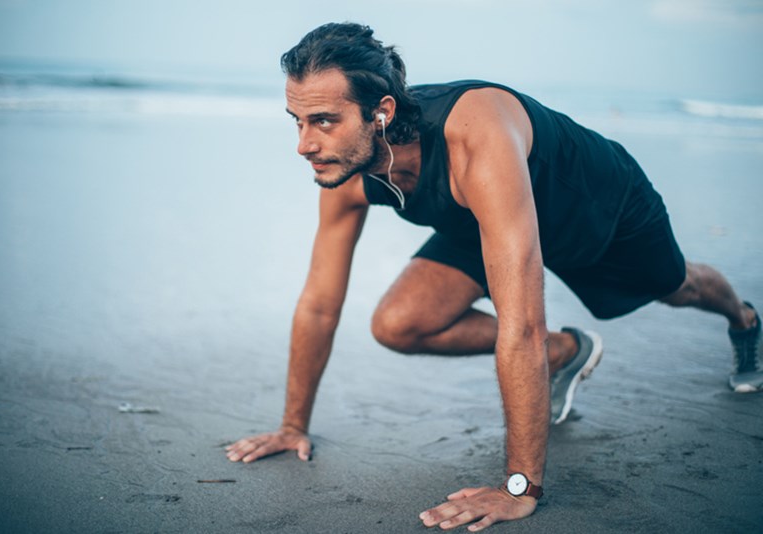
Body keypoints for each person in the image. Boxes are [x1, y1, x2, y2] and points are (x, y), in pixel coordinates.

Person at [226, 22, 762, 530]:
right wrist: (293, 426)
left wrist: (518, 488)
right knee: (399, 323)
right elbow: (320, 303)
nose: (304, 144)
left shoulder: (472, 133)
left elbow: (521, 324)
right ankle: (566, 353)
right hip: (479, 215)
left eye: (323, 120)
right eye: (297, 121)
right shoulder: (344, 170)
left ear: (381, 112)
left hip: (597, 206)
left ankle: (743, 318)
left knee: (676, 287)